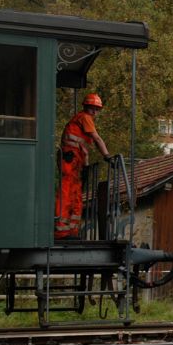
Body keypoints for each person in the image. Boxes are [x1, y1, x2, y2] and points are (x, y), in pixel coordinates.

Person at [54, 93, 111, 240]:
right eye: (92, 108)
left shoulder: (83, 122)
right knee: (66, 194)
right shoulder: (85, 118)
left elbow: (84, 150)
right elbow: (97, 139)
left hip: (75, 164)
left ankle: (71, 232)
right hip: (69, 161)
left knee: (76, 197)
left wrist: (85, 167)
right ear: (86, 107)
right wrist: (107, 156)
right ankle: (61, 232)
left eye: (96, 109)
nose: (94, 111)